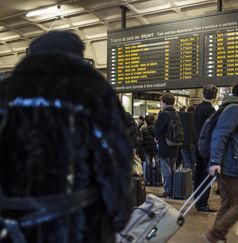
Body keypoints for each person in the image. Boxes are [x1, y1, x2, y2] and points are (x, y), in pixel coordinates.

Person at [0, 31, 132, 243]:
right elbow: (113, 159)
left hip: (10, 227)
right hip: (76, 223)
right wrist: (118, 214)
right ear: (76, 55)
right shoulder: (93, 90)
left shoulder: (5, 91)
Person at [204, 79, 238, 243]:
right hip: (232, 165)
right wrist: (215, 161)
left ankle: (217, 238)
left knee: (227, 204)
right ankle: (215, 235)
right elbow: (220, 134)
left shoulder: (235, 108)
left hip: (227, 163)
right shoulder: (235, 109)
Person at [194, 84, 218, 212]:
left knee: (199, 174)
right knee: (207, 175)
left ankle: (198, 200)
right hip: (207, 147)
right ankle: (203, 203)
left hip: (198, 145)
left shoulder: (198, 108)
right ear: (215, 96)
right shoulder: (210, 110)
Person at [154, 93, 181, 198]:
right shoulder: (176, 113)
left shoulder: (163, 114)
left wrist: (156, 137)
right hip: (174, 144)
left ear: (164, 102)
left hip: (164, 144)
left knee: (165, 169)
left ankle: (168, 190)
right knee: (173, 168)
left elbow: (158, 129)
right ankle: (174, 189)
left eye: (161, 102)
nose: (161, 104)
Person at [141, 114, 162, 186]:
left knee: (148, 164)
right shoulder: (157, 128)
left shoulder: (143, 129)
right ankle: (159, 181)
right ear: (153, 120)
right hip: (156, 149)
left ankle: (148, 181)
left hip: (147, 149)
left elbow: (142, 140)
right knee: (158, 164)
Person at [179, 105, 196, 169]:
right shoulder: (195, 118)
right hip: (193, 143)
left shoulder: (182, 118)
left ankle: (187, 177)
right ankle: (194, 177)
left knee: (186, 163)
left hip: (183, 143)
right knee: (194, 162)